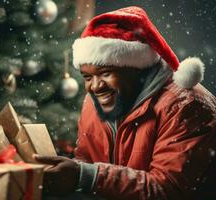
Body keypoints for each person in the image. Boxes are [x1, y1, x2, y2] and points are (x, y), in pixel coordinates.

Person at [35, 6, 216, 200]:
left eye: (106, 73)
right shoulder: (95, 101)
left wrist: (86, 176)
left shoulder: (187, 106)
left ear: (137, 68)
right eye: (87, 76)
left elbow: (168, 190)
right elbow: (86, 162)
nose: (95, 87)